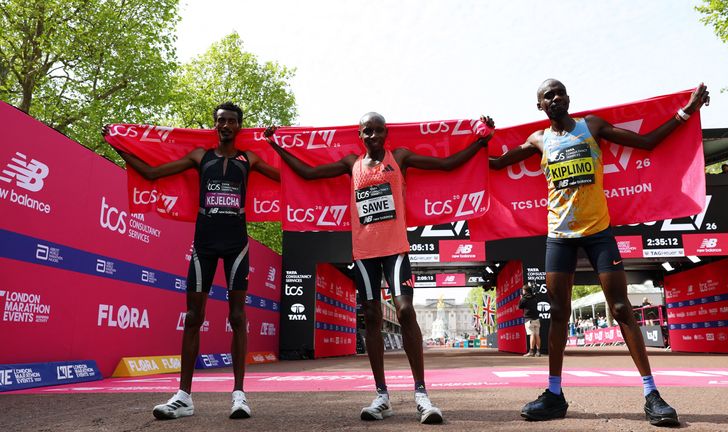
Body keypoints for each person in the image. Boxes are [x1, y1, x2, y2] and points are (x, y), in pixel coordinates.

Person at [490, 79, 709, 427]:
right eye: (548, 96)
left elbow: (647, 142)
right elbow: (495, 163)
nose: (555, 98)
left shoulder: (591, 126)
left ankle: (652, 395)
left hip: (598, 233)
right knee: (558, 312)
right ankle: (554, 394)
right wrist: (477, 139)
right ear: (540, 106)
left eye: (560, 92)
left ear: (568, 98)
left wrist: (687, 111)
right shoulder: (538, 140)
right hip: (559, 236)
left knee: (621, 308)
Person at [266, 112, 493, 424]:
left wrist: (480, 142)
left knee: (405, 311)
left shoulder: (399, 157)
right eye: (367, 131)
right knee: (372, 315)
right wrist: (277, 146)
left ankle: (421, 393)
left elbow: (447, 164)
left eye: (378, 130)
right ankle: (382, 395)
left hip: (395, 249)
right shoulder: (352, 163)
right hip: (364, 252)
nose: (373, 136)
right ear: (360, 135)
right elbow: (308, 173)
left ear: (387, 133)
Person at [104, 102, 280, 420]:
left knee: (237, 317)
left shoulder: (249, 159)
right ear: (215, 125)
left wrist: (276, 143)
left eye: (231, 121)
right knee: (193, 316)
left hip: (237, 244)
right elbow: (152, 173)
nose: (225, 125)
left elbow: (284, 179)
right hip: (204, 244)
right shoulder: (201, 156)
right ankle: (183, 397)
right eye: (221, 121)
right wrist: (118, 145)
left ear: (239, 126)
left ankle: (239, 396)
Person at [518, 284, 541, 357]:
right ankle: (538, 352)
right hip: (536, 319)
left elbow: (520, 306)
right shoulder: (534, 297)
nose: (522, 291)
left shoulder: (524, 298)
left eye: (523, 290)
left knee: (532, 334)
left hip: (529, 319)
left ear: (525, 291)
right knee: (537, 335)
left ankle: (531, 351)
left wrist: (521, 298)